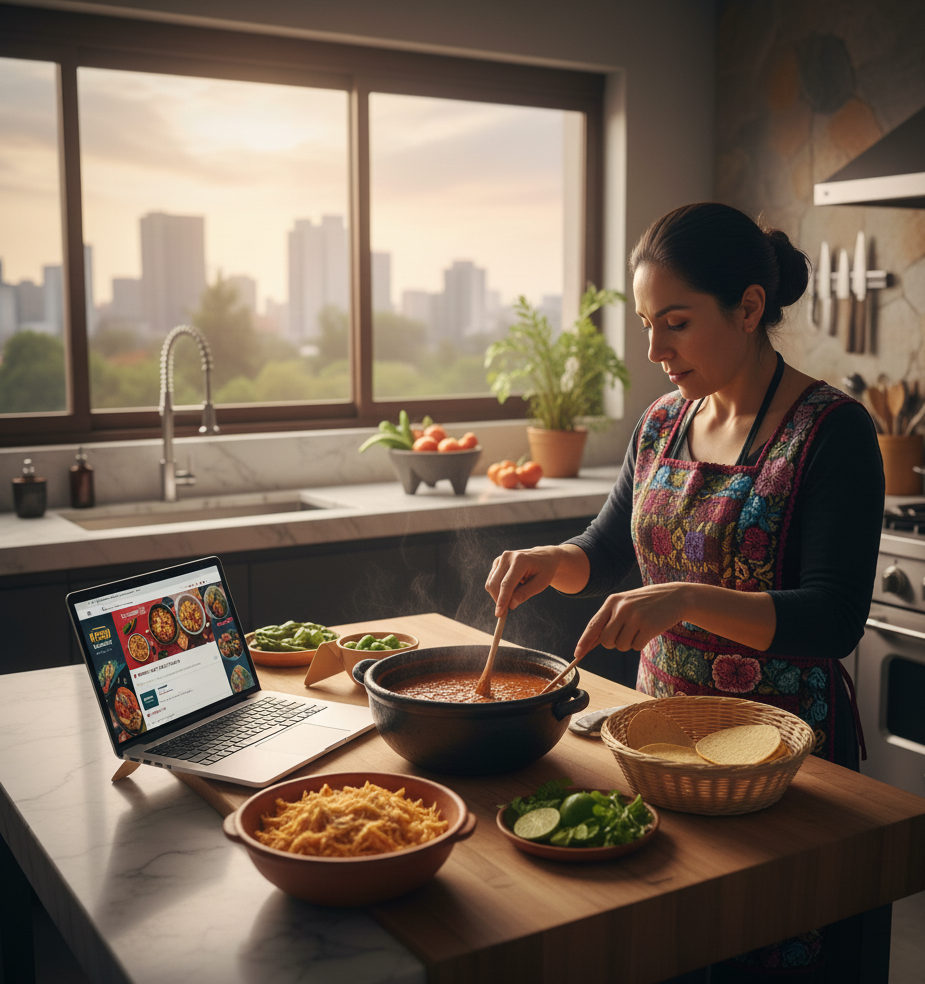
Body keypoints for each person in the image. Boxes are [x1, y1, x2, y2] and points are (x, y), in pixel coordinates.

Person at [485, 202, 885, 979]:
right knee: (675, 942)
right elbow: (604, 552)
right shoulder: (662, 422)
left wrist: (684, 598)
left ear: (747, 308)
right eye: (645, 323)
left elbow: (833, 618)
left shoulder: (831, 430)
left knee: (767, 946)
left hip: (780, 758)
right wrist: (547, 557)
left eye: (674, 322)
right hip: (658, 741)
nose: (653, 349)